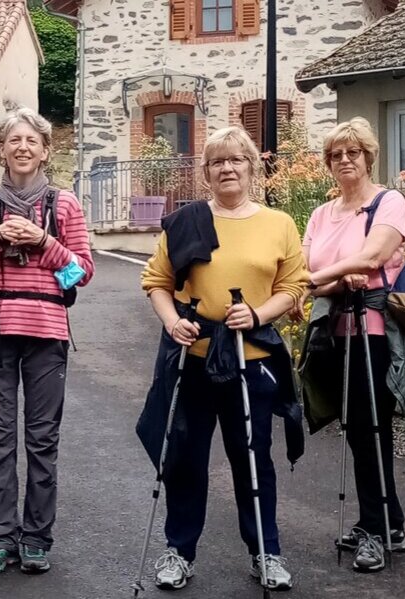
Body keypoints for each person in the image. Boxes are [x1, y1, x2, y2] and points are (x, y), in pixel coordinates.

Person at [136, 127, 308, 591]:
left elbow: (293, 287)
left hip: (251, 359)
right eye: (217, 162)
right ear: (206, 173)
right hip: (194, 355)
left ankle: (265, 552)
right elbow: (156, 281)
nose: (227, 168)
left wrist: (255, 314)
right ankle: (179, 550)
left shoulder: (279, 224)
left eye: (236, 160)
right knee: (187, 458)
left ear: (252, 167)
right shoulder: (186, 221)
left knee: (252, 459)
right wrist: (173, 323)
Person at [0, 106, 94, 575]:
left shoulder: (64, 204)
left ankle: (36, 538)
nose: (23, 148)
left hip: (47, 337)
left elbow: (82, 273)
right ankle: (0, 538)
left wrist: (44, 241)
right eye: (14, 141)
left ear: (45, 151)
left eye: (32, 141)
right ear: (1, 150)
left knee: (42, 442)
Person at [300, 117, 405, 573]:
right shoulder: (321, 214)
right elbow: (308, 270)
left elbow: (372, 258)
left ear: (369, 156)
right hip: (334, 332)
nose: (345, 160)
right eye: (336, 154)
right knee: (356, 429)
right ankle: (390, 523)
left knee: (372, 429)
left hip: (373, 332)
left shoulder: (389, 203)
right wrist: (333, 279)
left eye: (354, 152)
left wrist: (326, 277)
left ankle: (375, 529)